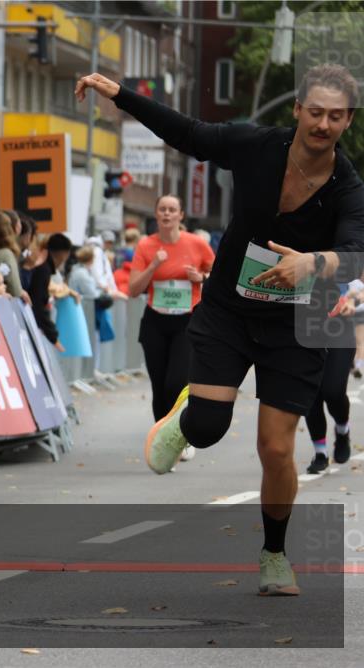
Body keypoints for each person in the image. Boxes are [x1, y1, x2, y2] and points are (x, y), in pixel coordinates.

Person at [76, 63, 364, 597]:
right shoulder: (256, 146)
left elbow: (356, 253)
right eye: (316, 112)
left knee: (276, 450)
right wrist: (121, 95)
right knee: (207, 427)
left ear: (348, 120)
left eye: (337, 116)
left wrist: (314, 263)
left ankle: (275, 554)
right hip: (229, 310)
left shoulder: (347, 187)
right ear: (298, 110)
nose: (324, 124)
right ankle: (188, 416)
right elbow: (189, 132)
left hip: (295, 324)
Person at [129, 194, 215, 427]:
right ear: (156, 214)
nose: (167, 213)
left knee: (175, 383)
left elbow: (220, 278)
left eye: (172, 209)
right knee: (159, 386)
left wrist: (202, 277)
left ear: (180, 215)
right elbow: (133, 290)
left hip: (186, 322)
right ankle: (162, 441)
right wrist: (153, 265)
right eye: (162, 209)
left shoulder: (196, 244)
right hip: (155, 322)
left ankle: (181, 433)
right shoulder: (146, 245)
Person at [304, 275, 361, 473]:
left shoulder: (342, 250)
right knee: (312, 396)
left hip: (339, 330)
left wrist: (354, 301)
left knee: (333, 390)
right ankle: (320, 453)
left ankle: (342, 430)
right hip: (304, 332)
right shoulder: (295, 251)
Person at [26, 232, 79, 350]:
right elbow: (38, 304)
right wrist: (53, 337)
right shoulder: (43, 270)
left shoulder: (43, 268)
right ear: (64, 254)